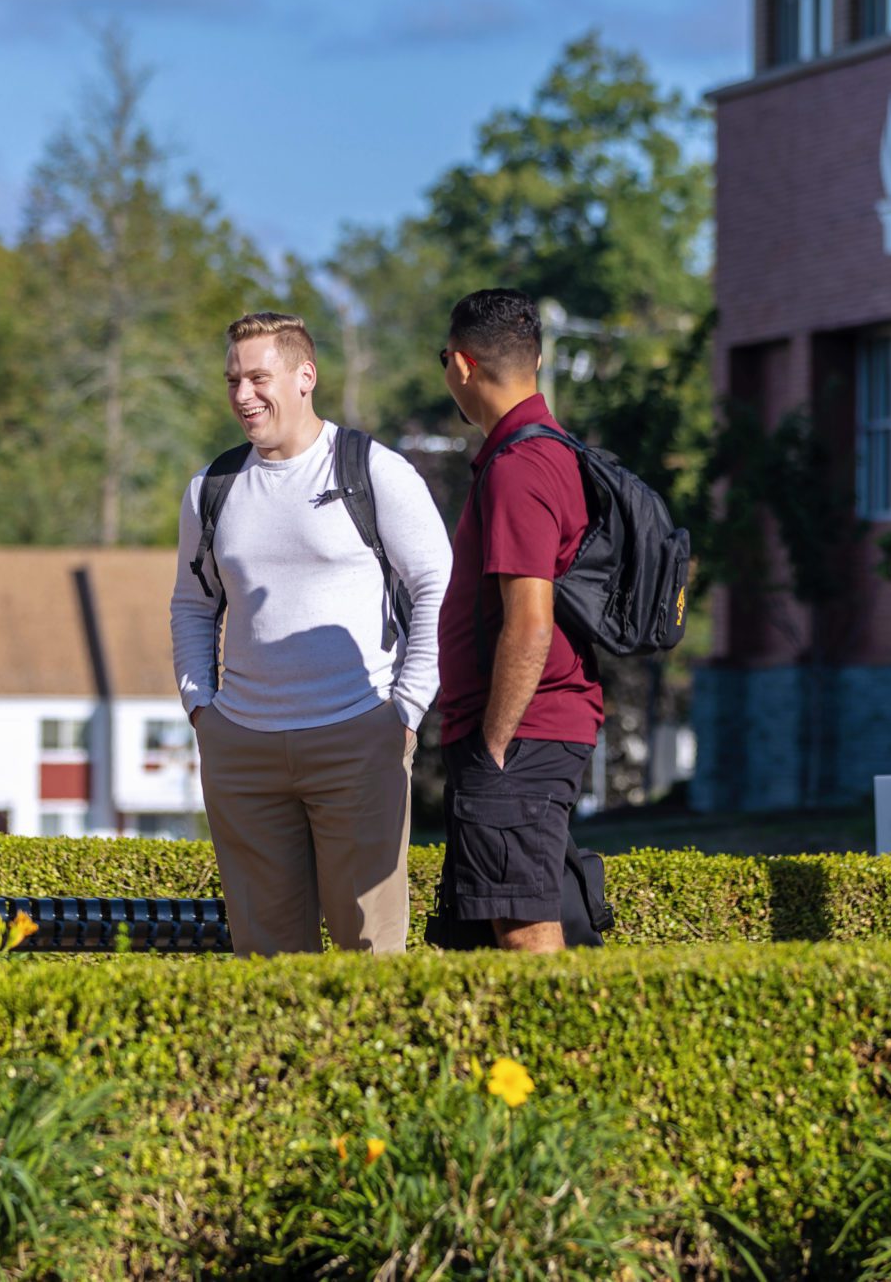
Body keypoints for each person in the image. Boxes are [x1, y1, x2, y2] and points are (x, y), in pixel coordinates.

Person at [168, 311, 451, 955]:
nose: (243, 395)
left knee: (370, 954)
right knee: (265, 964)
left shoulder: (374, 470)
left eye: (258, 377)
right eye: (233, 379)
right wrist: (201, 709)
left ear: (305, 376)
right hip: (240, 745)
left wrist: (405, 711)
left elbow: (437, 585)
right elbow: (192, 604)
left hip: (359, 735)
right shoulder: (211, 488)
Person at [430, 288, 603, 953]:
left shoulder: (518, 468)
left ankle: (553, 1058)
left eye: (443, 358)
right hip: (536, 731)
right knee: (496, 928)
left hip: (522, 735)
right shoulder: (546, 451)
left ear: (464, 366)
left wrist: (493, 747)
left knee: (522, 929)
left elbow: (529, 624)